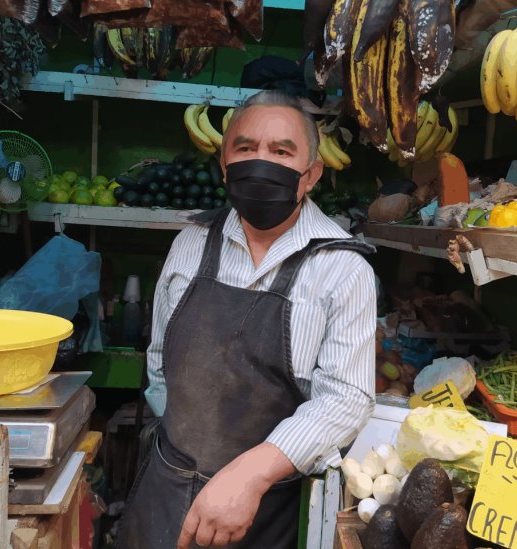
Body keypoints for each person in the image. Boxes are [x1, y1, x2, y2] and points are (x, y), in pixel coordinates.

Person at [119, 90, 376, 549]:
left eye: (281, 152)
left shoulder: (342, 267)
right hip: (169, 490)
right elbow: (159, 361)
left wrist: (249, 473)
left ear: (311, 173)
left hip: (268, 508)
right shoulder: (191, 243)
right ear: (224, 164)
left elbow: (346, 398)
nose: (262, 162)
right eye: (245, 148)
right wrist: (190, 453)